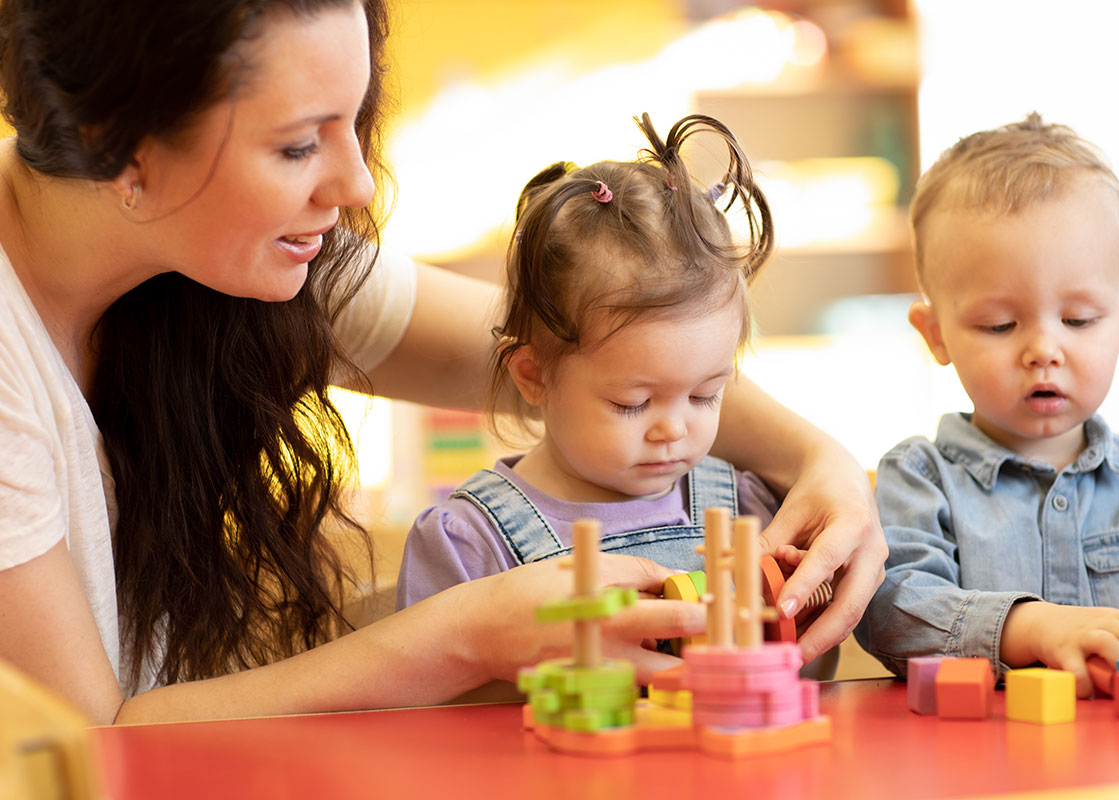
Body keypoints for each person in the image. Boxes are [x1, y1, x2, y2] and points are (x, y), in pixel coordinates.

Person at [0, 0, 884, 725]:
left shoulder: (243, 250)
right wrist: (458, 636)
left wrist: (825, 466)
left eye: (353, 121)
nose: (352, 186)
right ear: (117, 140)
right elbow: (89, 740)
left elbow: (597, 352)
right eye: (298, 145)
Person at [854, 114, 1119, 696]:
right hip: (988, 776)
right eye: (999, 324)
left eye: (1078, 319)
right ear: (936, 335)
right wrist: (1030, 628)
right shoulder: (919, 479)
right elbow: (892, 610)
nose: (1043, 350)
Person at [396, 113, 843, 656]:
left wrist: (802, 603)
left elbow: (803, 675)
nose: (674, 429)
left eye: (706, 394)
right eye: (632, 403)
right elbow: (424, 712)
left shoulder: (749, 510)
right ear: (534, 376)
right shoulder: (468, 543)